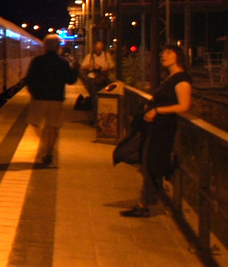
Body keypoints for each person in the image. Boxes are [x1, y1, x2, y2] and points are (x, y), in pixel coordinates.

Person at [121, 42, 193, 217]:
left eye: (168, 53)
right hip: (156, 127)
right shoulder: (170, 77)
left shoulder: (181, 79)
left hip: (164, 129)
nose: (163, 56)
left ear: (178, 57)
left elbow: (184, 106)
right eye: (162, 53)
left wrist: (158, 110)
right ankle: (144, 202)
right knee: (147, 161)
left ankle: (144, 204)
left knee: (152, 163)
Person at [23, 34, 78, 167]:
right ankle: (49, 152)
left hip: (39, 99)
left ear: (45, 47)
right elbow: (71, 80)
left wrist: (33, 93)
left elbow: (29, 80)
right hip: (56, 99)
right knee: (53, 127)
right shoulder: (63, 63)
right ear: (59, 48)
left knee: (35, 123)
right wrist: (75, 69)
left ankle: (46, 144)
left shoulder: (37, 61)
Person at [76, 40, 114, 109]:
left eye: (100, 48)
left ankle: (102, 109)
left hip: (103, 78)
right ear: (94, 48)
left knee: (104, 95)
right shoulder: (90, 56)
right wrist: (92, 66)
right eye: (97, 48)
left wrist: (103, 68)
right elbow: (82, 67)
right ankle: (95, 109)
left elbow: (112, 66)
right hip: (93, 78)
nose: (98, 50)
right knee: (94, 96)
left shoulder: (106, 55)